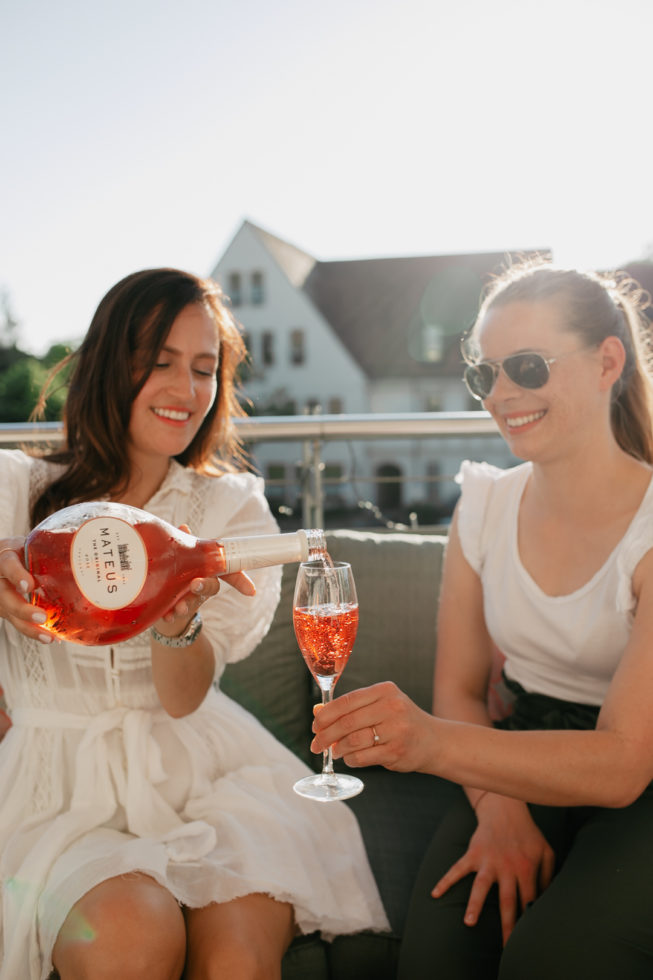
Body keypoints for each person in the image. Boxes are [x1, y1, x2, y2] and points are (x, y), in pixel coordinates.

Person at [0, 268, 388, 980]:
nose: (186, 390)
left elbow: (182, 699)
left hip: (202, 774)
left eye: (205, 369)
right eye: (159, 362)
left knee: (238, 962)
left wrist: (174, 624)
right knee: (131, 944)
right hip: (56, 790)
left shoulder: (230, 512)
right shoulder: (12, 491)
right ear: (108, 364)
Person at [311, 259, 653, 979]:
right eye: (483, 375)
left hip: (640, 779)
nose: (501, 395)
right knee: (438, 959)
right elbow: (462, 690)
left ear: (607, 362)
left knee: (554, 961)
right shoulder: (485, 504)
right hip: (515, 756)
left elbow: (623, 763)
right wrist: (497, 809)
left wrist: (428, 745)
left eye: (525, 367)